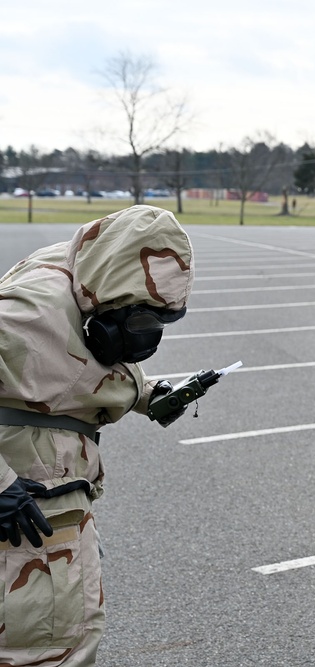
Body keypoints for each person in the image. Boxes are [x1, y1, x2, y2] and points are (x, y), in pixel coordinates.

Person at [0, 205, 194, 665]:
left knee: (63, 636)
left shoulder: (88, 282)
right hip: (24, 510)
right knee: (42, 649)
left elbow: (70, 364)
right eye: (140, 319)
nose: (144, 335)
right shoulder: (26, 312)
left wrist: (148, 394)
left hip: (56, 503)